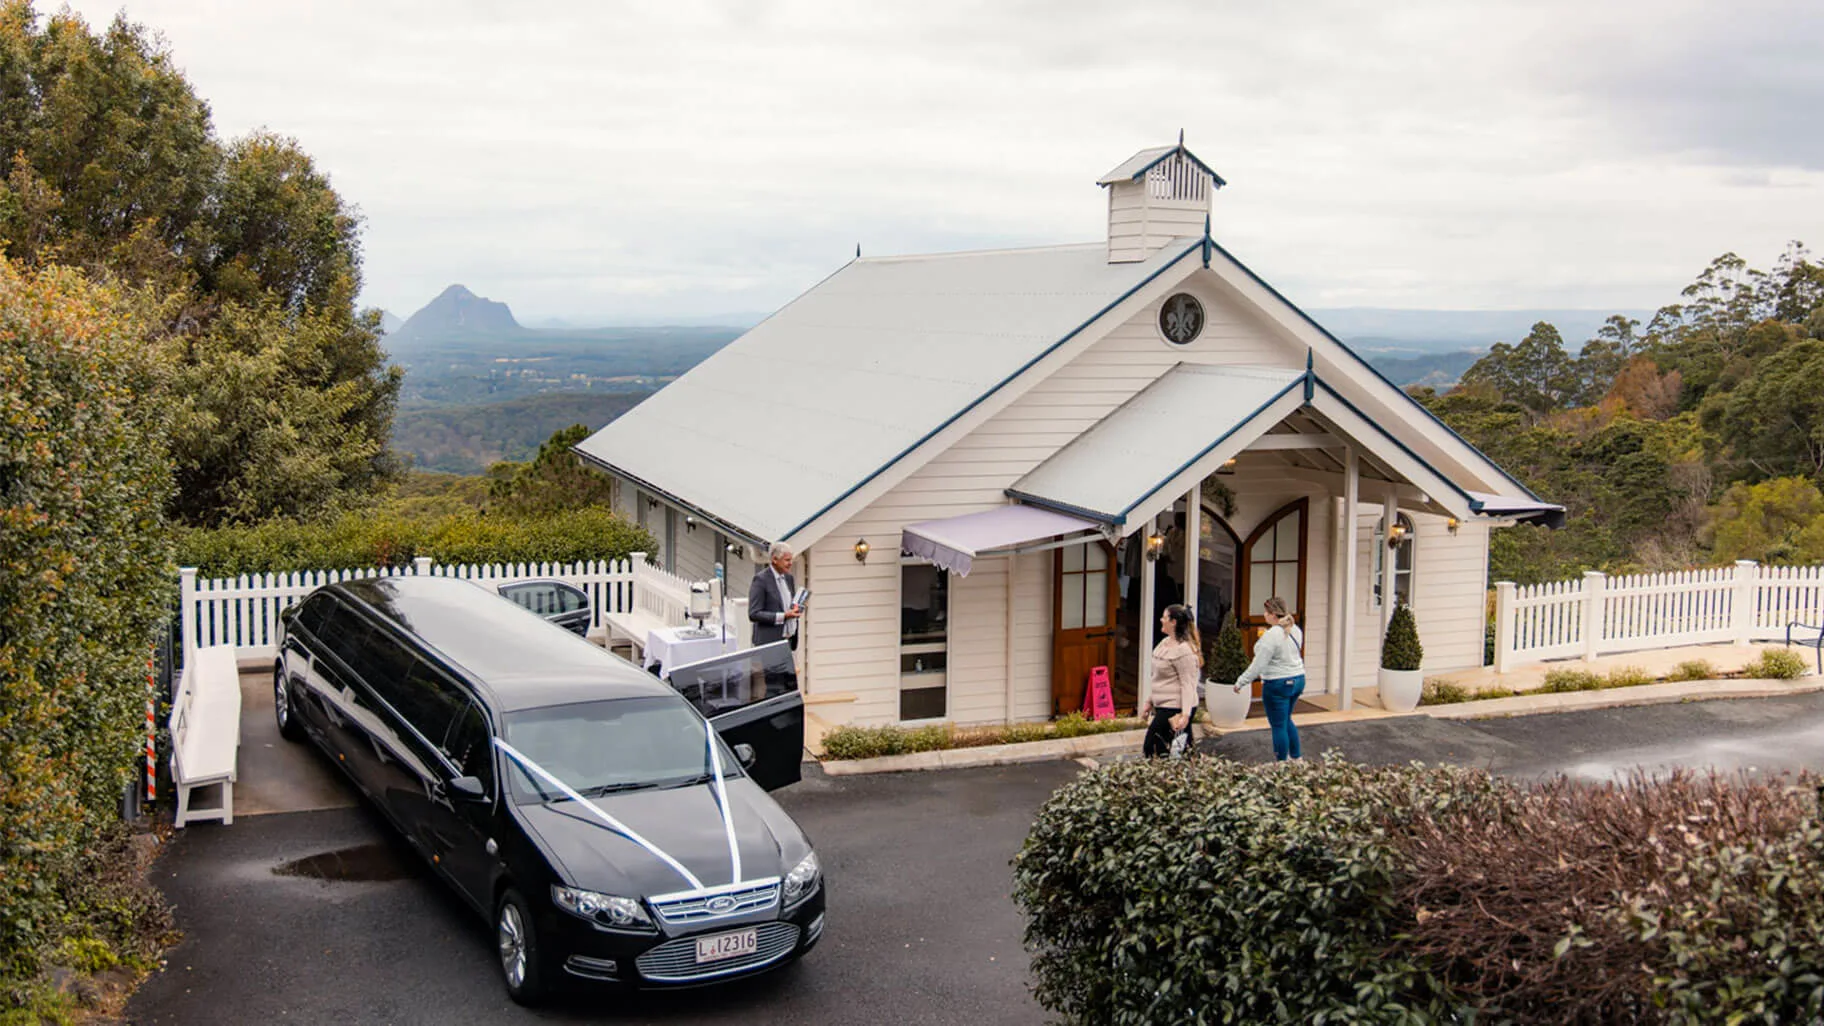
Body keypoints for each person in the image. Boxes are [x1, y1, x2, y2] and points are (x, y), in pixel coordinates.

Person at [1232, 596, 1306, 761]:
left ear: (1273, 614)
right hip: (1298, 678)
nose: (1264, 615)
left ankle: (1281, 764)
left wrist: (1241, 682)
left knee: (1278, 725)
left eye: (1266, 612)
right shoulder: (1296, 630)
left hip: (1278, 683)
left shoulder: (1271, 636)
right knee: (1286, 720)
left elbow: (1258, 665)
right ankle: (1297, 760)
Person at [1140, 604, 1202, 758]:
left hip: (1175, 708)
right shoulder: (1164, 643)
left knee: (1153, 746)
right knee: (1185, 749)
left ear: (1173, 622)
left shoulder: (1184, 651)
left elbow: (1188, 684)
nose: (1161, 620)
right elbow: (1157, 678)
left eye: (1165, 617)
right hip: (1163, 705)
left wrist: (1185, 714)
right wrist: (1150, 701)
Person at [748, 542, 801, 650]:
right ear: (775, 560)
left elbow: (789, 605)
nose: (790, 563)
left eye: (791, 560)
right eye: (787, 560)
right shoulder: (761, 580)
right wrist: (783, 616)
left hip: (788, 641)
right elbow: (754, 614)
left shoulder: (788, 578)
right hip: (769, 643)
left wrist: (796, 609)